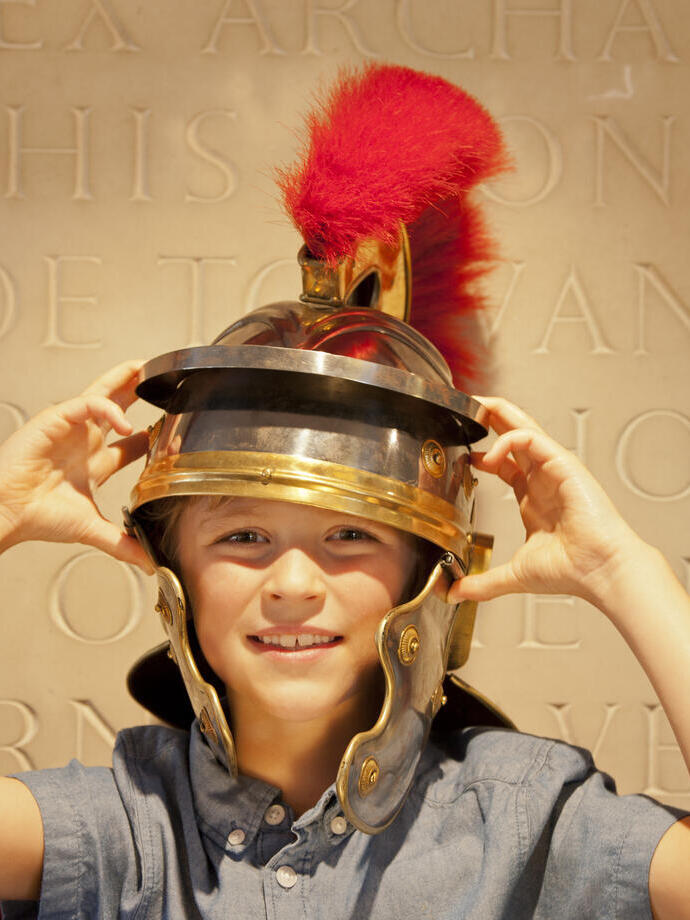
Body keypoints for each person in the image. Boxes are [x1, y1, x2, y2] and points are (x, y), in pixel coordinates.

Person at [1, 62, 689, 919]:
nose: (292, 584)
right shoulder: (118, 827)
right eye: (243, 537)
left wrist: (623, 570)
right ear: (174, 573)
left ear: (425, 576)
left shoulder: (526, 818)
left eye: (350, 536)